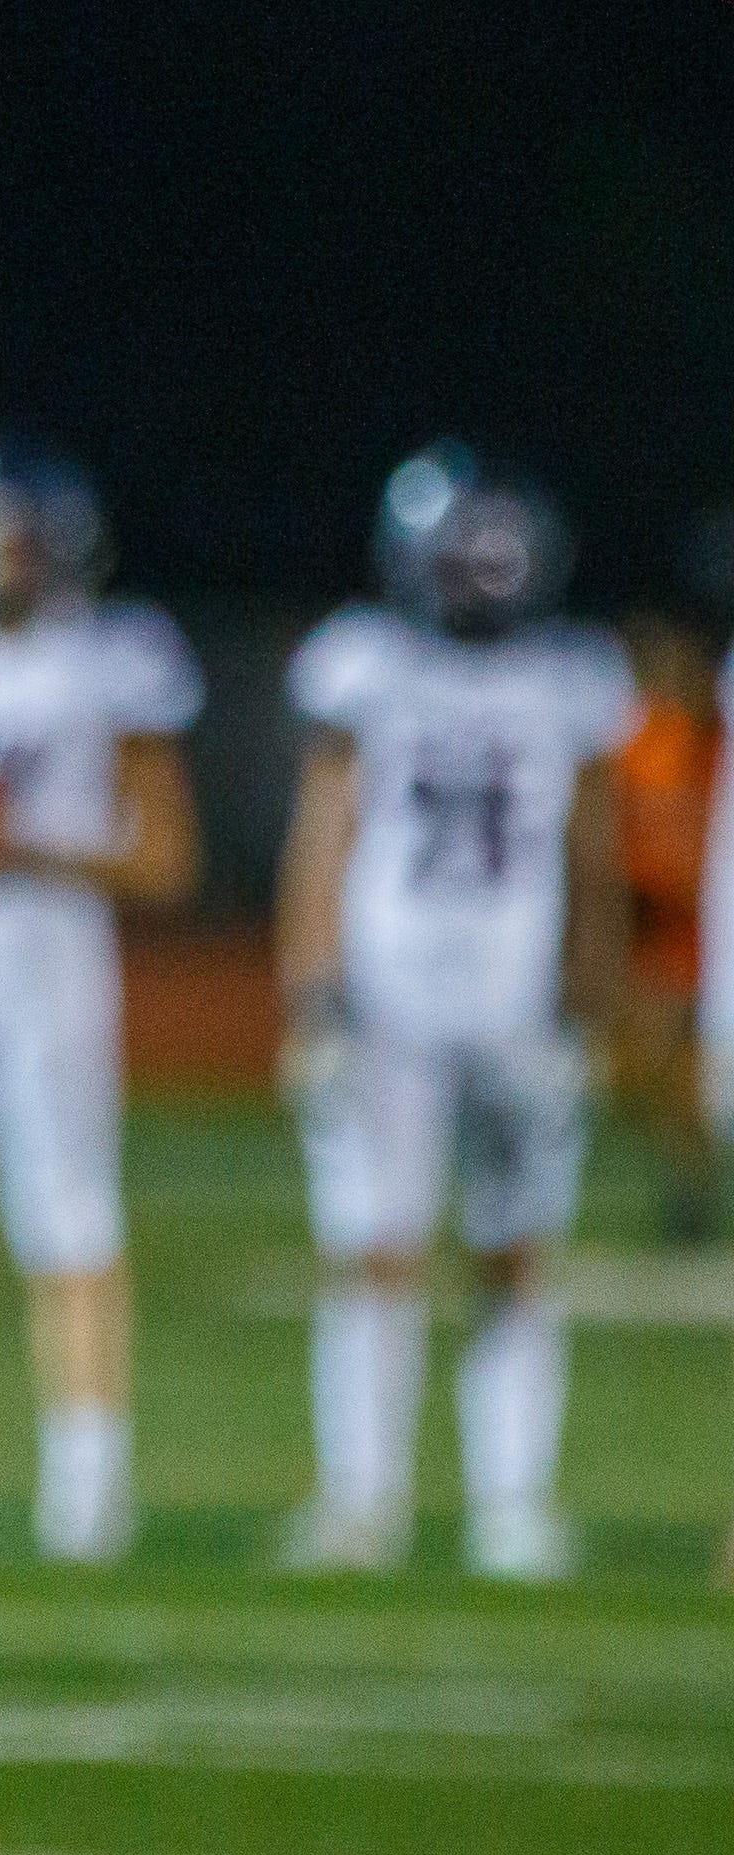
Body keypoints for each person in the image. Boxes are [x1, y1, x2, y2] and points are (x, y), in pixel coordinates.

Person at [277, 441, 631, 1581]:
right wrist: (313, 990)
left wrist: (589, 1005)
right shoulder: (365, 666)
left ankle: (511, 1501)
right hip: (386, 1003)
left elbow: (591, 851)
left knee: (514, 1254)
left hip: (515, 1001)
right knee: (372, 1250)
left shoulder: (569, 680)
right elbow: (325, 830)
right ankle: (361, 1499)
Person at [0, 432, 202, 1564]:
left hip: (51, 968)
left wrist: (8, 847)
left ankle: (87, 1484)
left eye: (16, 542)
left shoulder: (111, 658)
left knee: (68, 1219)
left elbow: (164, 858)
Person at [606, 609, 719, 1245]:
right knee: (645, 1071)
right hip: (651, 926)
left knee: (691, 1071)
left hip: (705, 927)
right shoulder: (635, 737)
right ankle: (686, 1175)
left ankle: (690, 1188)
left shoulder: (710, 740)